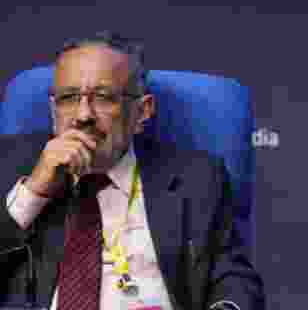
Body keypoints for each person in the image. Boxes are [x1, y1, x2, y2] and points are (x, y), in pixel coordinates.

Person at [0, 32, 265, 310]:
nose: (83, 115)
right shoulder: (11, 165)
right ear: (53, 111)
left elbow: (233, 279)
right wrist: (32, 193)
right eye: (68, 98)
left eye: (103, 98)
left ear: (142, 111)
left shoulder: (196, 177)